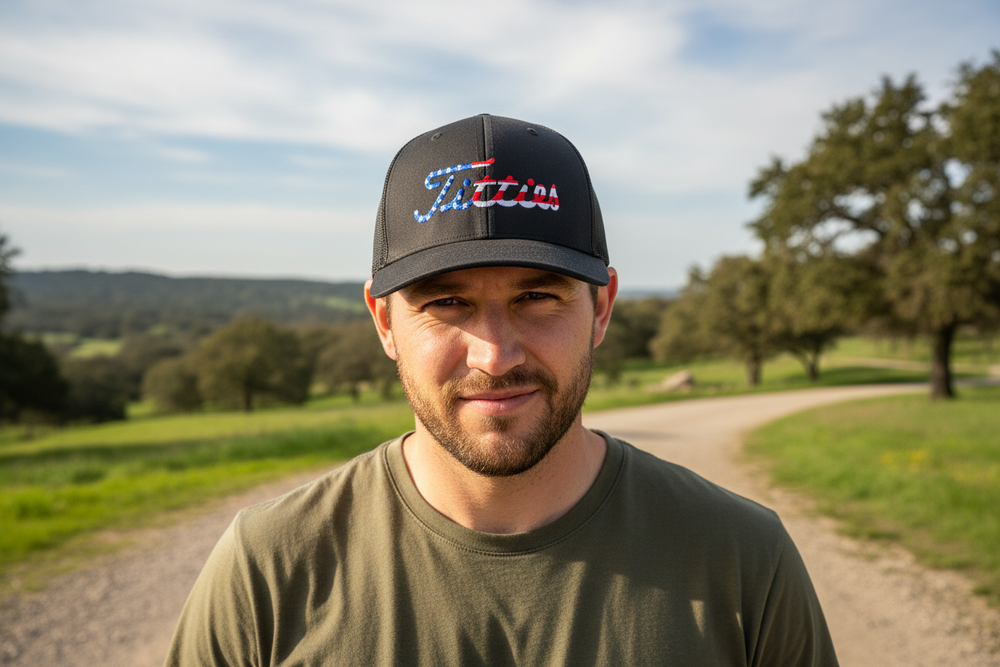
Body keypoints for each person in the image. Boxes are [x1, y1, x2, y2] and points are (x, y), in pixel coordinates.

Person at [164, 114, 838, 666]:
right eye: (448, 302)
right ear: (384, 321)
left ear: (601, 308)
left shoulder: (742, 556)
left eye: (538, 296)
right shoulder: (271, 568)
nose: (495, 353)